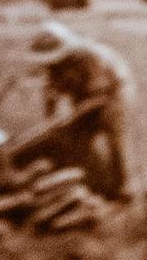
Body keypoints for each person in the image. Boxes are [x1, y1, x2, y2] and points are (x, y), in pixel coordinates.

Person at [24, 22, 133, 197]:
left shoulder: (91, 57)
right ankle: (86, 178)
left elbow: (100, 96)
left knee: (114, 134)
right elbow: (51, 93)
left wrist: (73, 115)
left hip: (113, 92)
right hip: (83, 92)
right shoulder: (54, 66)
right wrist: (50, 121)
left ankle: (122, 186)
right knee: (77, 137)